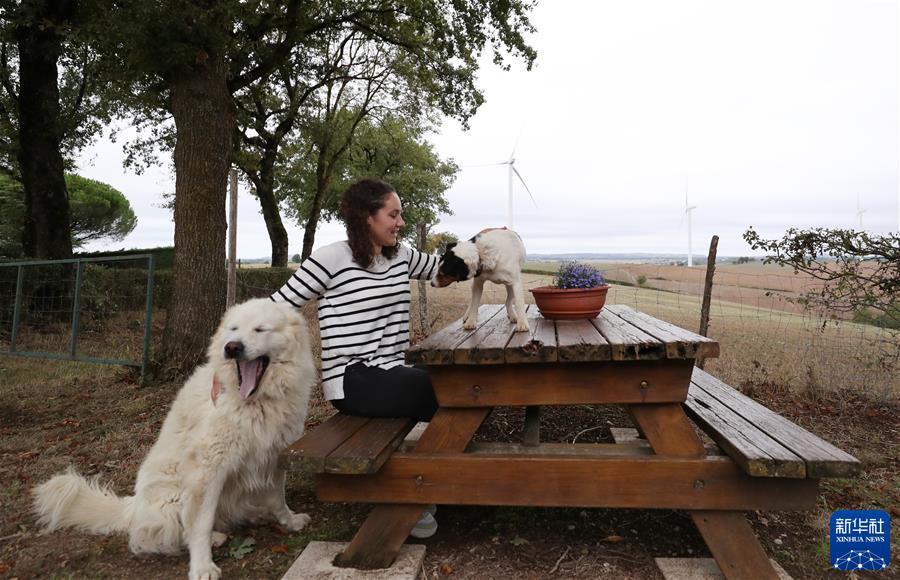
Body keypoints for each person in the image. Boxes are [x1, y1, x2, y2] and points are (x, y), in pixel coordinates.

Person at [270, 177, 443, 537]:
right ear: (368, 216)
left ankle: (428, 483)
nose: (401, 223)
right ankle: (418, 493)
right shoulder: (332, 258)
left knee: (455, 383)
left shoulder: (402, 256)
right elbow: (273, 310)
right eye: (393, 214)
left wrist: (484, 247)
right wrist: (225, 366)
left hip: (393, 371)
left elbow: (444, 271)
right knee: (441, 388)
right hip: (353, 380)